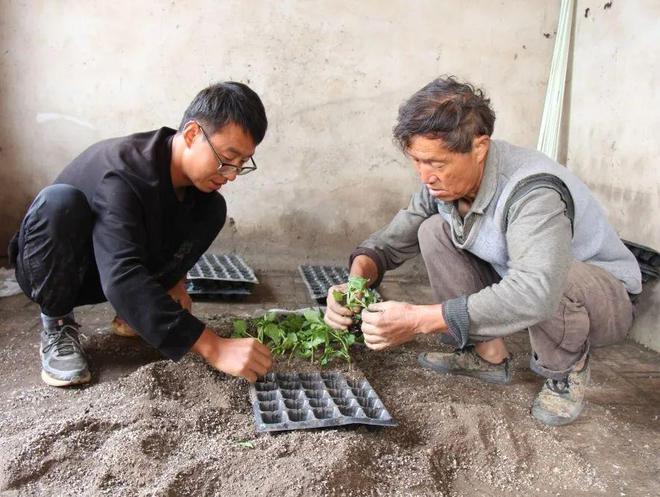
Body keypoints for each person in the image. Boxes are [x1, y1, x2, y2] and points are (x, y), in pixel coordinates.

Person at [324, 76, 641, 426]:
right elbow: (388, 242)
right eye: (417, 160)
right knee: (433, 230)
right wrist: (353, 285)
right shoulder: (441, 186)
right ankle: (486, 354)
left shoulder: (533, 192)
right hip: (524, 276)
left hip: (601, 298)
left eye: (437, 163)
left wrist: (420, 320)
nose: (425, 176)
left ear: (480, 147)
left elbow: (536, 291)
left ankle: (566, 369)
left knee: (549, 277)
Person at [9, 82, 273, 387]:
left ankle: (135, 309)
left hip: (106, 268)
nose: (230, 174)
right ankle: (57, 325)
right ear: (191, 135)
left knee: (212, 209)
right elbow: (121, 276)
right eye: (227, 158)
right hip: (54, 270)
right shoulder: (124, 172)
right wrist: (214, 346)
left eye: (241, 164)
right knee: (60, 202)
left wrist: (175, 283)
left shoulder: (196, 187)